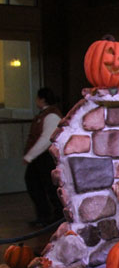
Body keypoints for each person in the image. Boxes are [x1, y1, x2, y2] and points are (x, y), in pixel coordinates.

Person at [23, 88, 63, 227]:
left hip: (46, 157)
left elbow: (47, 139)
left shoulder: (51, 115)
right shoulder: (45, 115)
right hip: (40, 157)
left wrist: (29, 156)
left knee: (49, 187)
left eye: (37, 98)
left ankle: (55, 216)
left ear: (42, 99)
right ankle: (44, 215)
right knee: (36, 184)